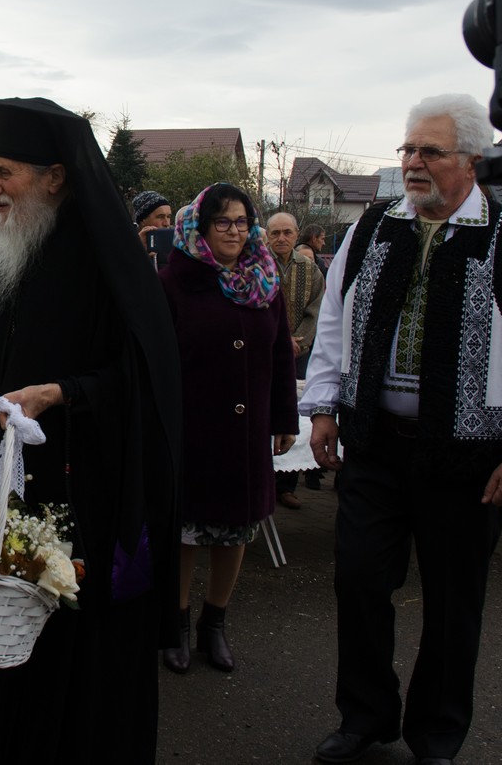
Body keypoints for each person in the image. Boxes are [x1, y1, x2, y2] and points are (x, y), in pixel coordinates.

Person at [0, 97, 181, 762]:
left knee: (69, 686)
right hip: (7, 503)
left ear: (55, 176)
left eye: (3, 171)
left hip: (86, 508)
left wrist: (64, 393)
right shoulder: (14, 251)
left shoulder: (111, 265)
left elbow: (147, 381)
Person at [302, 93, 502, 765]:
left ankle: (436, 736)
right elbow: (333, 326)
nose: (412, 163)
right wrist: (321, 407)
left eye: (430, 151)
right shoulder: (371, 229)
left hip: (468, 457)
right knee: (361, 581)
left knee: (454, 603)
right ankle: (365, 716)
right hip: (375, 446)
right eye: (406, 149)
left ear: (472, 161)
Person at [158, 184, 298, 673]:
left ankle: (214, 624)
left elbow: (282, 352)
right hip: (192, 430)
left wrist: (284, 417)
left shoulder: (264, 279)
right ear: (199, 227)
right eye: (223, 222)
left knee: (236, 529)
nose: (235, 231)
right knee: (185, 532)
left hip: (247, 431)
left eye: (242, 221)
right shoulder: (174, 282)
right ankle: (173, 624)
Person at [265, 210, 326, 509]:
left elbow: (315, 309)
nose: (281, 238)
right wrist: (278, 339)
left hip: (299, 351)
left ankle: (286, 485)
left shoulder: (310, 268)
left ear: (296, 233)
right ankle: (265, 478)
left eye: (287, 232)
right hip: (265, 348)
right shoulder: (256, 265)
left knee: (293, 411)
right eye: (275, 233)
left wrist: (298, 341)